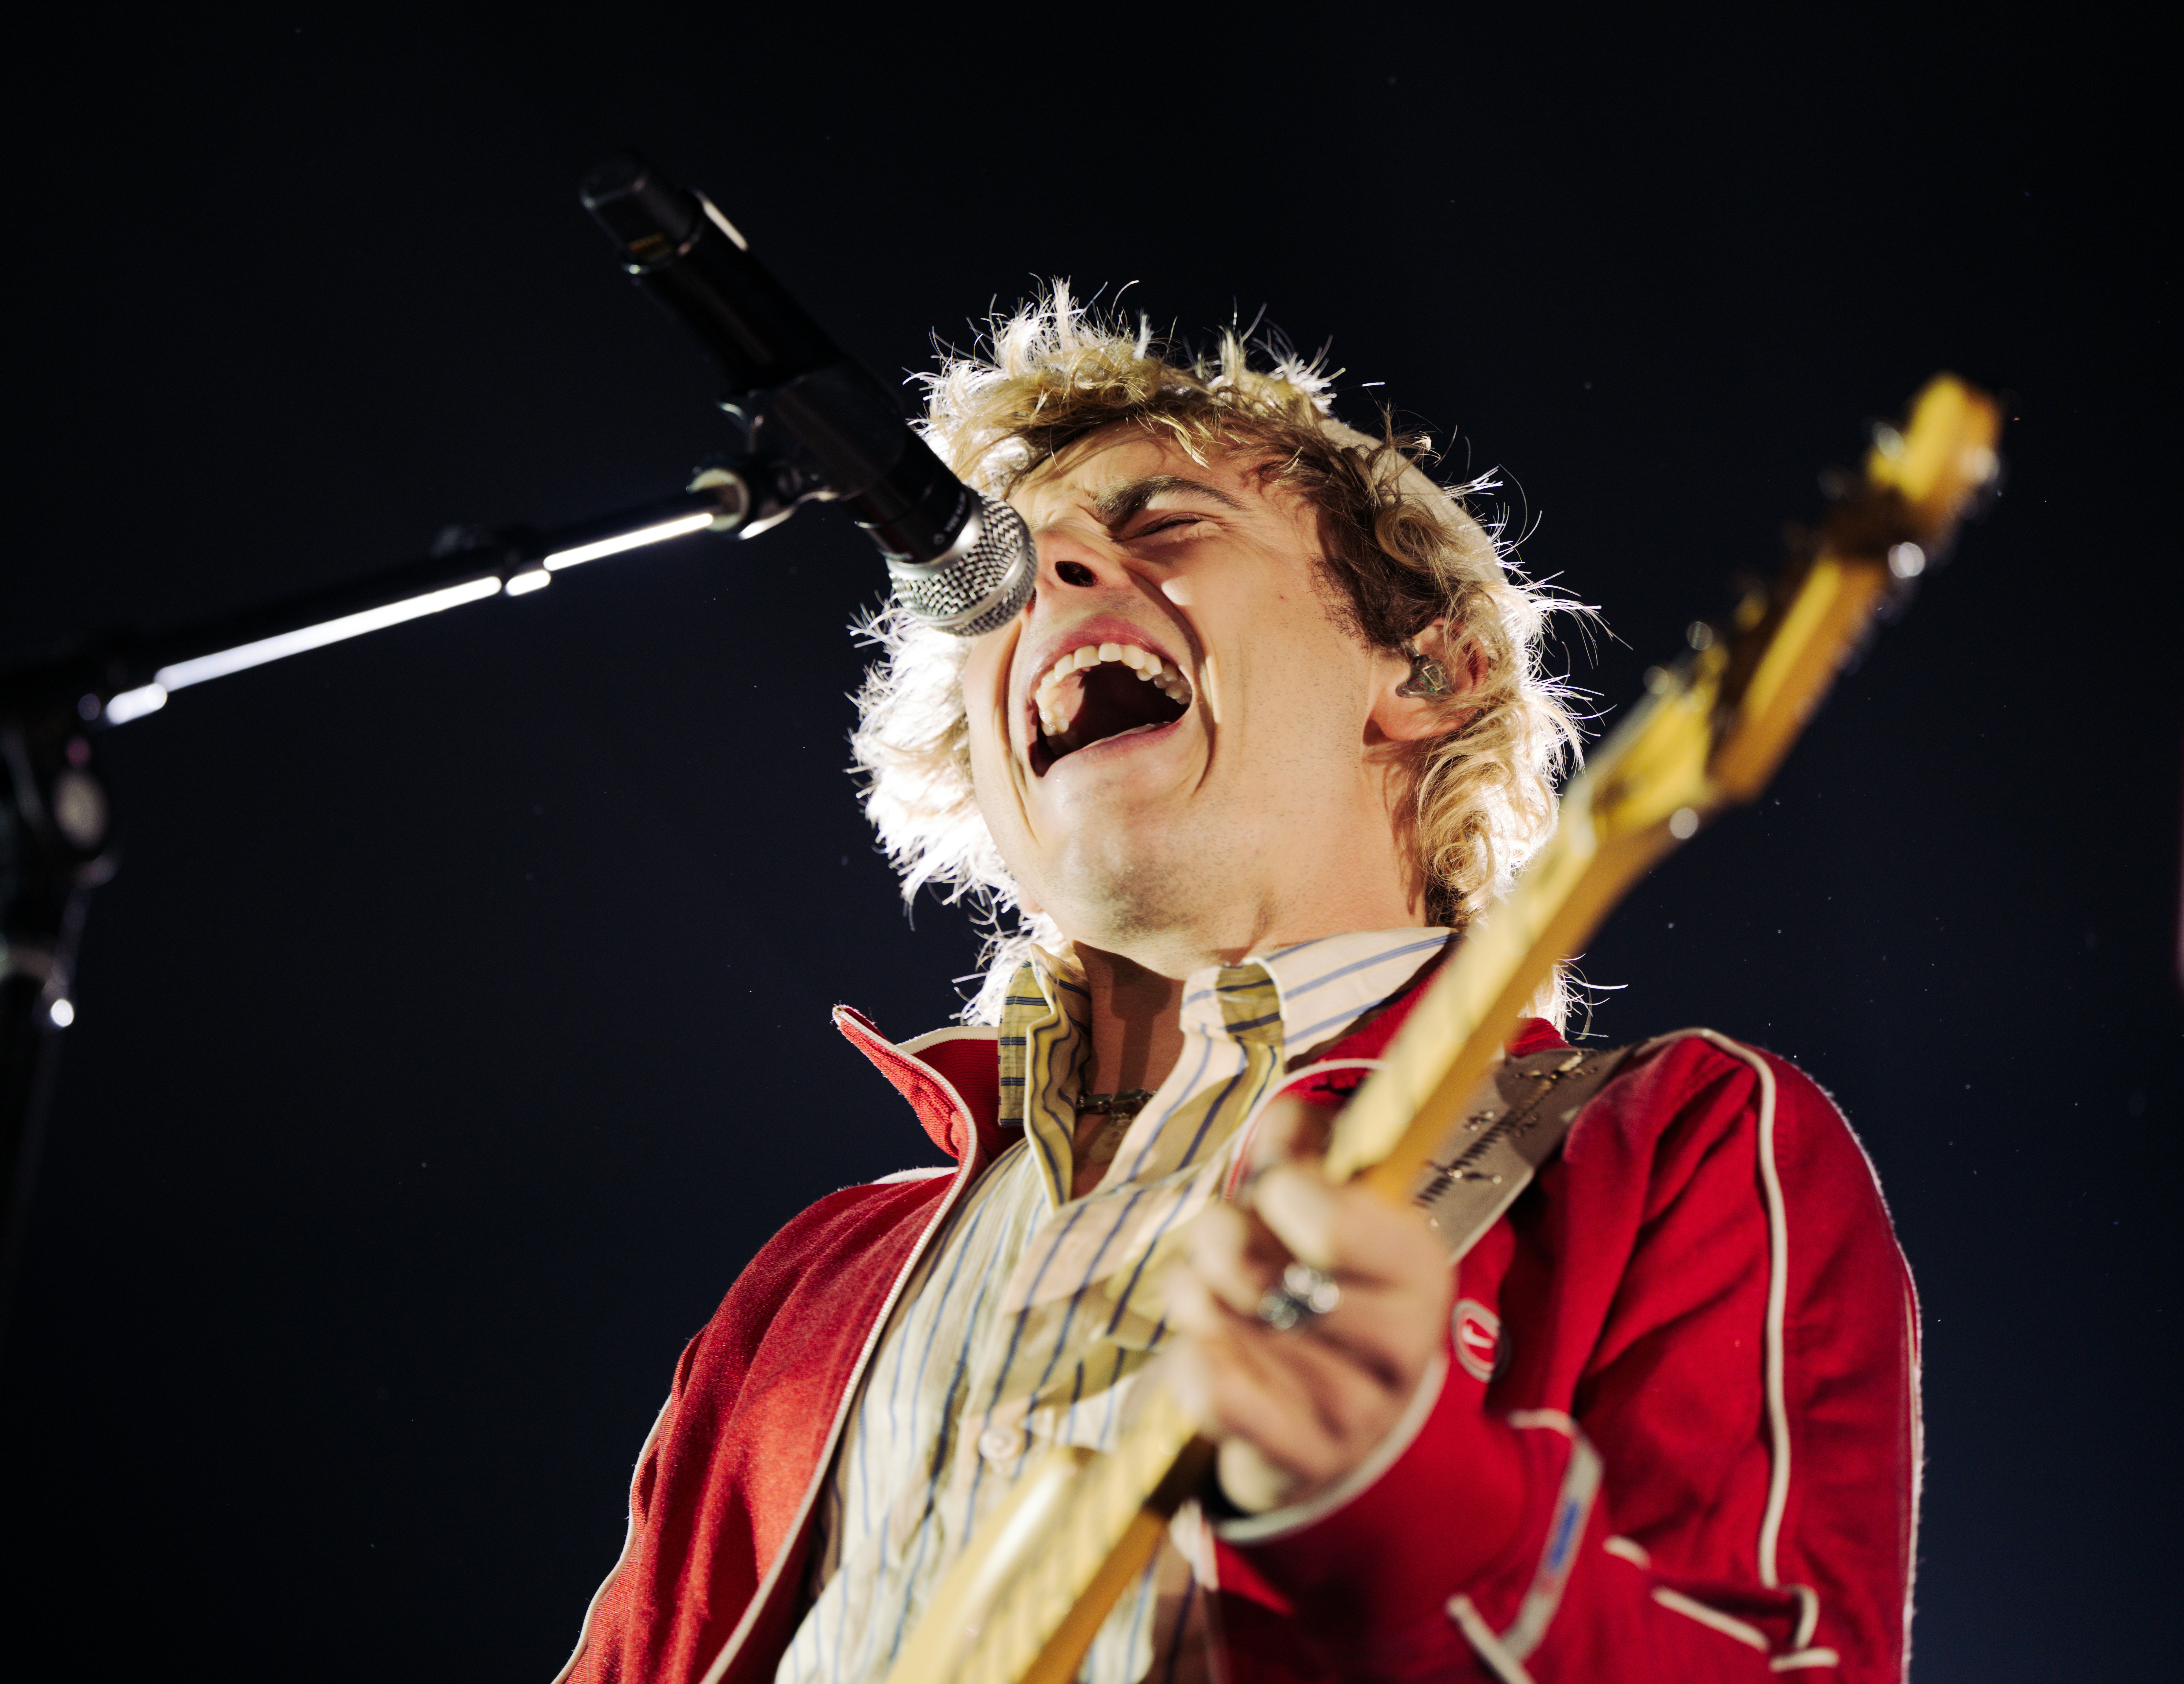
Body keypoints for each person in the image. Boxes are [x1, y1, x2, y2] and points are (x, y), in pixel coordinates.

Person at [555, 291, 1917, 1683]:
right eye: (1010, 566)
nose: (1049, 573)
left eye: (1163, 524)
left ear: (1429, 670)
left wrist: (1402, 1504)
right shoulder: (806, 1284)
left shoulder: (1663, 1148)